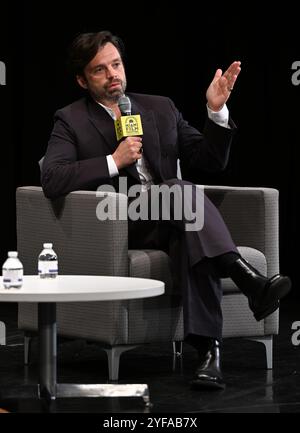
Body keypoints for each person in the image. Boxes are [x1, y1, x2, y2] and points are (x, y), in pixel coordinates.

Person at [41, 30, 291, 390]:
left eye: (116, 64)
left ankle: (209, 356)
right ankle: (247, 278)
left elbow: (208, 160)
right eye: (100, 70)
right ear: (82, 79)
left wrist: (216, 111)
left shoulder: (159, 107)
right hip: (119, 221)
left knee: (189, 228)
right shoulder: (70, 119)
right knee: (180, 192)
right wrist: (113, 161)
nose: (113, 74)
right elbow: (52, 177)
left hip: (173, 217)